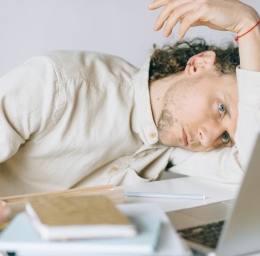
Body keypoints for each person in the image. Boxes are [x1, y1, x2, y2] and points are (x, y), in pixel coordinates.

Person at [0, 0, 259, 224]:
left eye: (226, 137)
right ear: (198, 63)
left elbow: (251, 174)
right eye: (220, 108)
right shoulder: (58, 83)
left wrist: (249, 28)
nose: (208, 138)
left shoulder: (171, 146)